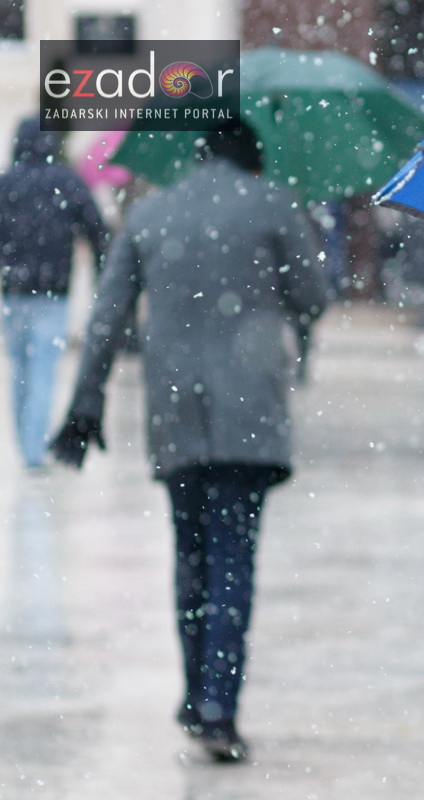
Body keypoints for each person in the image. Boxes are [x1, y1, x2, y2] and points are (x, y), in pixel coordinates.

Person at [50, 119, 328, 763]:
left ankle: (197, 693)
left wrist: (86, 402)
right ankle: (218, 708)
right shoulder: (274, 204)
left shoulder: (151, 213)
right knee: (233, 558)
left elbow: (106, 317)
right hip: (250, 414)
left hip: (176, 413)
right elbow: (313, 297)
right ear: (251, 160)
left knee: (191, 557)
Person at [0, 117, 109, 470]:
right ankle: (33, 451)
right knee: (43, 369)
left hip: (13, 293)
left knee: (20, 369)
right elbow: (97, 230)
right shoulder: (67, 182)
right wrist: (102, 278)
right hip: (52, 293)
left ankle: (26, 444)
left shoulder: (5, 183)